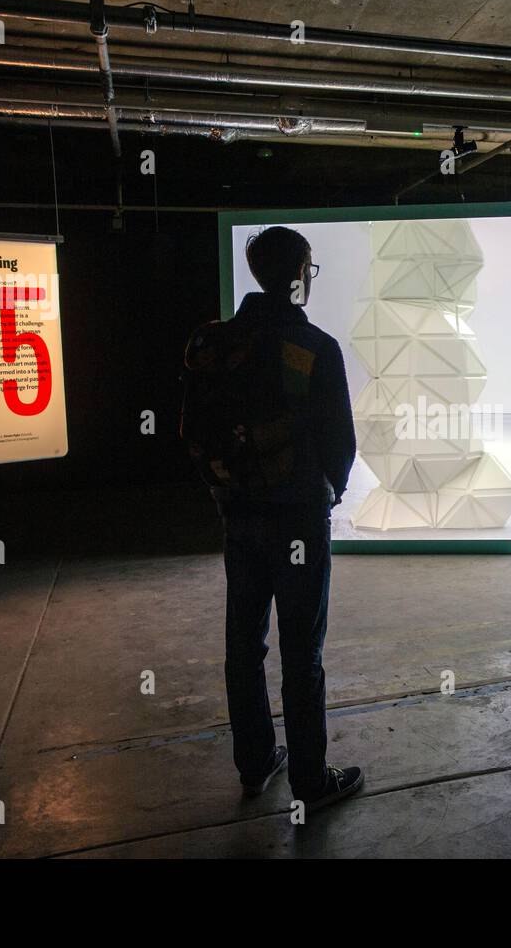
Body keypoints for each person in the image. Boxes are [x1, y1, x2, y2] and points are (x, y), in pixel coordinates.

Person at [198, 226, 362, 812]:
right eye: (311, 270)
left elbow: (192, 432)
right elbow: (341, 443)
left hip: (239, 516)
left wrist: (224, 487)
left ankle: (255, 763)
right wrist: (327, 494)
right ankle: (310, 781)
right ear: (298, 275)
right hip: (298, 519)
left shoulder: (209, 344)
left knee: (244, 644)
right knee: (302, 652)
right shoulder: (316, 348)